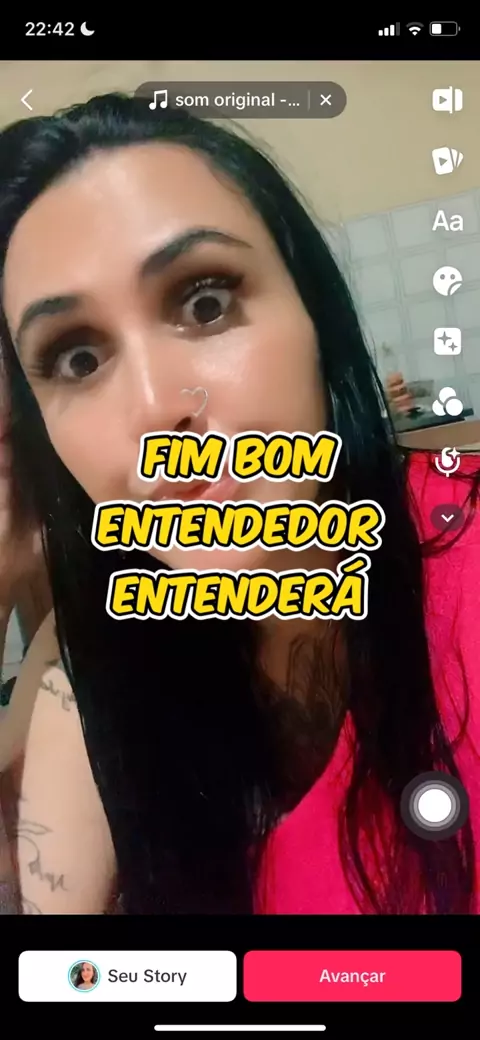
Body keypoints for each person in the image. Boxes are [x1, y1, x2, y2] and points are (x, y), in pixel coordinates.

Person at [0, 93, 478, 916]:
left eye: (205, 303)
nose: (156, 409)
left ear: (316, 314)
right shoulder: (99, 664)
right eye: (77, 358)